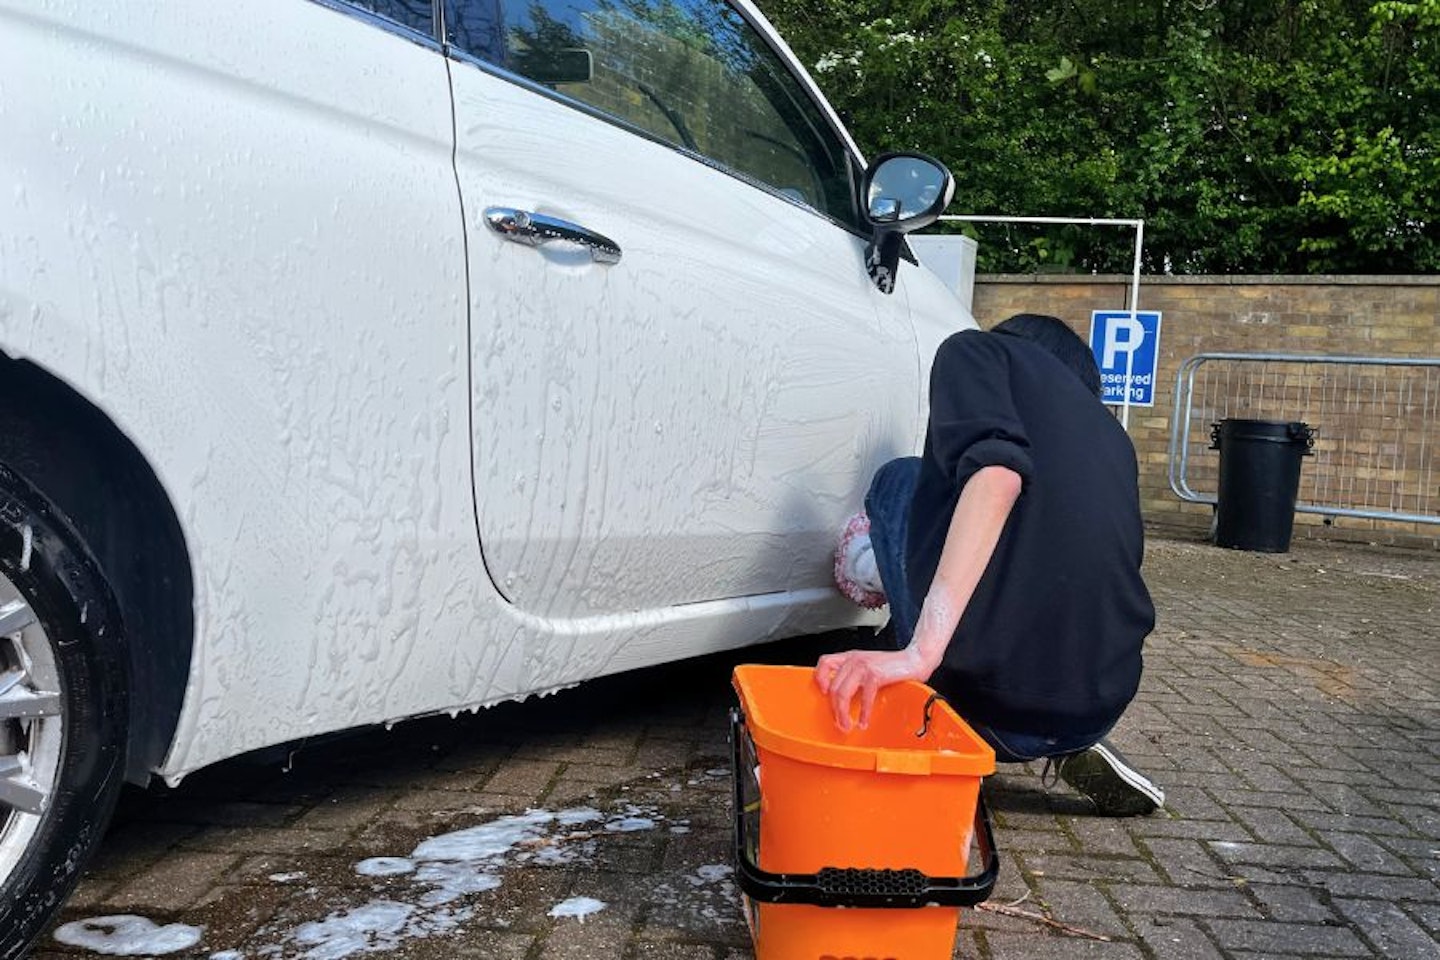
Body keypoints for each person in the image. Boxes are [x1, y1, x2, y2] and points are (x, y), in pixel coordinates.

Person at [819, 313, 1164, 816]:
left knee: (903, 479)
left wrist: (920, 653)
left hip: (985, 706)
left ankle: (867, 572)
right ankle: (1058, 742)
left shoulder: (978, 353)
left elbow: (997, 478)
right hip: (1098, 705)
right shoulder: (1114, 439)